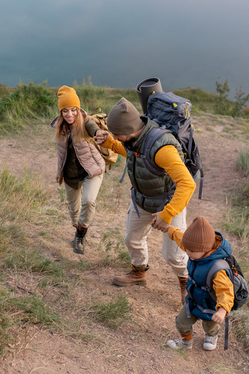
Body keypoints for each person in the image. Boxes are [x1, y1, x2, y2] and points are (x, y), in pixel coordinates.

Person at [94, 97, 196, 304]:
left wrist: (167, 214)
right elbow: (132, 153)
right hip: (142, 201)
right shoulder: (135, 138)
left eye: (117, 135)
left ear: (130, 131)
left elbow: (187, 183)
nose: (115, 137)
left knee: (174, 255)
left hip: (169, 203)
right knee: (132, 239)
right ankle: (139, 272)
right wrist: (110, 143)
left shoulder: (163, 148)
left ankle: (188, 286)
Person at [154, 215, 234, 351]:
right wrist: (168, 229)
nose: (187, 253)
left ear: (206, 249)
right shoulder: (193, 248)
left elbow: (226, 292)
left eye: (191, 251)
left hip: (211, 304)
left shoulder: (217, 269)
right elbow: (180, 238)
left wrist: (221, 311)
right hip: (193, 299)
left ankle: (211, 336)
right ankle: (186, 342)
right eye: (186, 249)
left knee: (210, 324)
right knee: (181, 323)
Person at [51, 86, 106, 254]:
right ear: (61, 112)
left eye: (73, 110)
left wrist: (99, 133)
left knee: (88, 201)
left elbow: (93, 129)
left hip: (92, 171)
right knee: (73, 211)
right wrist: (60, 174)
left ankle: (80, 236)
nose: (70, 115)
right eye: (65, 111)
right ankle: (78, 229)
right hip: (70, 174)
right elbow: (61, 155)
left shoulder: (86, 121)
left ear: (78, 109)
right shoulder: (60, 127)